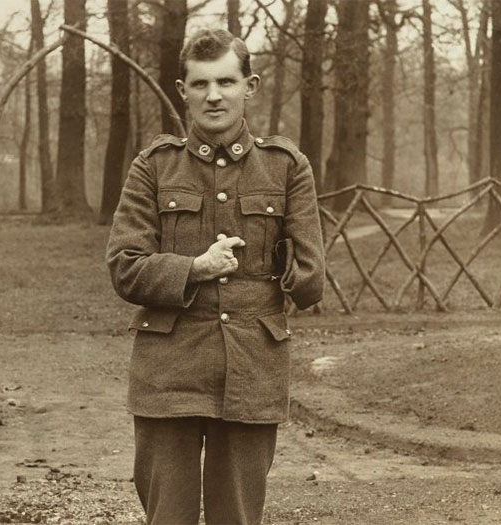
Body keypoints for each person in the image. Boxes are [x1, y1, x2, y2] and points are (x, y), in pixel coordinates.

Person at [106, 28, 325, 525]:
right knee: (168, 518)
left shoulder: (286, 168)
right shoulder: (154, 167)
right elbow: (124, 267)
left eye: (226, 82)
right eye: (200, 84)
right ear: (182, 91)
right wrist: (196, 268)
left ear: (250, 86)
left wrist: (292, 265)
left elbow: (310, 282)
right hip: (169, 371)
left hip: (252, 371)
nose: (214, 96)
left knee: (238, 519)